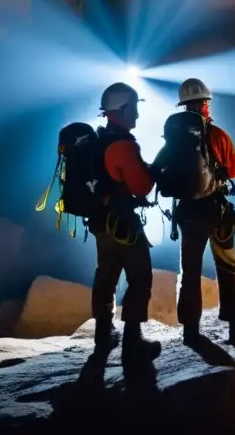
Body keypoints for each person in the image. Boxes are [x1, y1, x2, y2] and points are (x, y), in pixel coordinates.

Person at [171, 78, 235, 347]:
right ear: (206, 104)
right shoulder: (217, 135)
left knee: (190, 269)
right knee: (228, 266)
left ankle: (190, 330)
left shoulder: (174, 136)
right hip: (215, 211)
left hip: (188, 213)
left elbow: (163, 168)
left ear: (183, 106)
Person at [90, 82, 161, 361]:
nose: (138, 115)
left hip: (100, 224)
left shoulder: (98, 141)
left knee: (106, 275)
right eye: (134, 108)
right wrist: (154, 171)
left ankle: (103, 335)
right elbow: (141, 187)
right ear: (122, 109)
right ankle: (133, 341)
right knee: (140, 275)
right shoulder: (122, 146)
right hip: (123, 226)